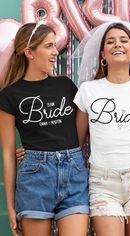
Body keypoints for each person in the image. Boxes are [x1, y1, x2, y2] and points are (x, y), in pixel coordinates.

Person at [0, 22, 89, 236]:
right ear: (29, 52)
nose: (55, 51)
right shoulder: (9, 95)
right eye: (49, 46)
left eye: (54, 45)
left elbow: (80, 132)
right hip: (34, 178)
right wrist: (11, 206)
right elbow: (8, 153)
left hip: (73, 173)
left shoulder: (66, 86)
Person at [73, 21, 130, 236]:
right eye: (110, 42)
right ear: (103, 54)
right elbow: (75, 142)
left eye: (123, 40)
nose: (117, 44)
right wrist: (37, 150)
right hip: (102, 182)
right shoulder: (88, 90)